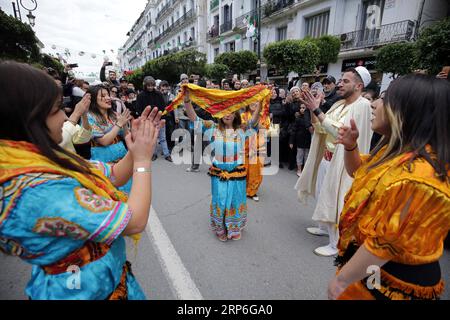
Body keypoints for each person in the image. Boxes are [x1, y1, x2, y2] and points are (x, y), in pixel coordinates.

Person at [0, 60, 163, 300]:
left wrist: (136, 149)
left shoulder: (39, 162)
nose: (65, 119)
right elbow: (134, 221)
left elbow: (114, 175)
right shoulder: (37, 191)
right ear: (30, 118)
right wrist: (142, 161)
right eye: (57, 109)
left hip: (106, 281)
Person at [328, 74, 450, 300]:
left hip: (391, 278)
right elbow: (358, 173)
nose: (374, 103)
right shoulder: (398, 152)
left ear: (408, 111)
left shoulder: (420, 176)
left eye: (385, 99)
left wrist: (342, 280)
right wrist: (350, 146)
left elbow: (384, 244)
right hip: (373, 265)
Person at [295, 66, 374, 257]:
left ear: (358, 86)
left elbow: (341, 132)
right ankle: (324, 227)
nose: (339, 83)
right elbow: (322, 127)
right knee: (323, 194)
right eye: (340, 80)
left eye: (345, 81)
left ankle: (335, 243)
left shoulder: (362, 105)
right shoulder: (340, 104)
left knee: (337, 200)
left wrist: (317, 109)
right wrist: (315, 110)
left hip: (343, 162)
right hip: (327, 158)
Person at [182, 89, 263, 241]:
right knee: (220, 199)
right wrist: (187, 101)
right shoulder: (211, 128)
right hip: (219, 173)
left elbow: (255, 120)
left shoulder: (242, 130)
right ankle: (220, 227)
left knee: (235, 200)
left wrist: (261, 102)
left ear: (235, 114)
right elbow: (194, 119)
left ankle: (234, 227)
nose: (228, 114)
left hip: (237, 173)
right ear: (220, 113)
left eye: (231, 111)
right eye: (225, 111)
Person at [87, 85, 133, 193]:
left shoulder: (114, 115)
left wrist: (125, 124)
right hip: (104, 164)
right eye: (103, 96)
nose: (108, 98)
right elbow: (104, 141)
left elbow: (126, 136)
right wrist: (119, 124)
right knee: (113, 194)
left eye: (108, 95)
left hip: (122, 160)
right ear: (93, 99)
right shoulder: (89, 117)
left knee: (128, 191)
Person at [136, 76, 173, 162]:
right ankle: (153, 154)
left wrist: (163, 118)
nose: (150, 87)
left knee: (162, 137)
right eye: (148, 85)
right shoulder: (141, 95)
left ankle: (167, 154)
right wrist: (144, 119)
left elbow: (163, 107)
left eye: (152, 85)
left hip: (159, 118)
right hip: (148, 120)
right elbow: (139, 109)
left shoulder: (158, 94)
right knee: (153, 138)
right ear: (145, 85)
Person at [241, 102, 271, 201]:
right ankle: (242, 189)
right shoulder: (243, 115)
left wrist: (256, 121)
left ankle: (252, 191)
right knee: (243, 169)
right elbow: (243, 128)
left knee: (256, 172)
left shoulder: (265, 117)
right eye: (252, 100)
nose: (254, 103)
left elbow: (266, 130)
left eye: (257, 101)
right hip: (244, 147)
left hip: (258, 148)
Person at [289, 103, 313, 177]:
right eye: (301, 108)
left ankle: (305, 170)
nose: (302, 109)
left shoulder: (310, 119)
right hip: (300, 140)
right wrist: (291, 142)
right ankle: (299, 169)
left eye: (304, 108)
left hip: (308, 140)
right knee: (299, 155)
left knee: (307, 155)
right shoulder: (298, 119)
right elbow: (293, 131)